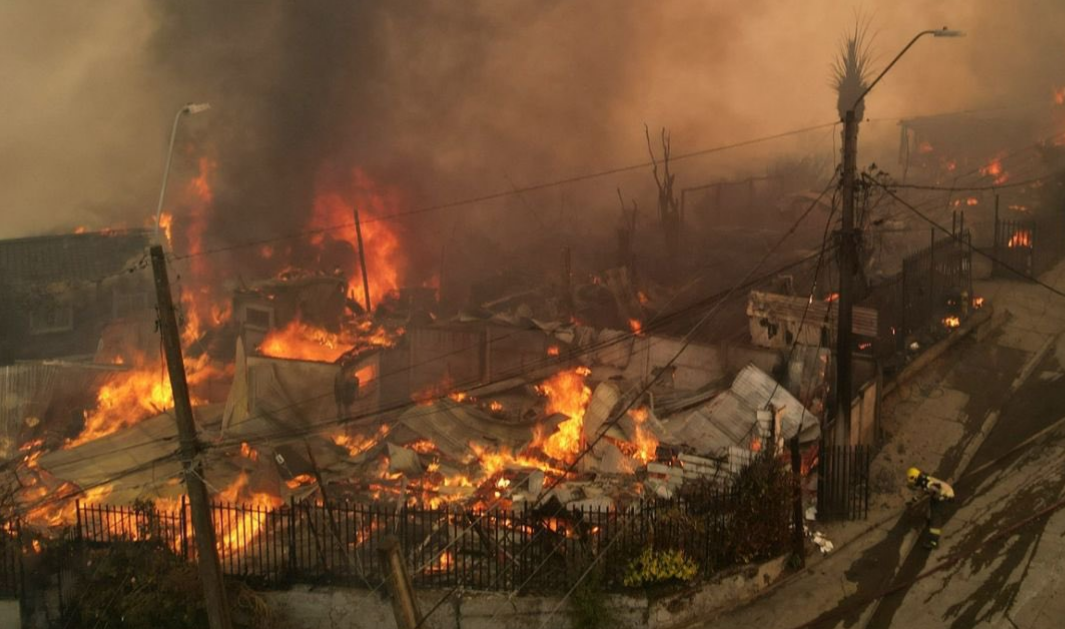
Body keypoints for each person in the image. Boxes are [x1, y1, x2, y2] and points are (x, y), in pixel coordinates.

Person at [907, 467, 955, 549]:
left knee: (936, 518)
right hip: (941, 495)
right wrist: (914, 500)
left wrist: (942, 496)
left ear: (914, 478)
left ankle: (934, 541)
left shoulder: (927, 483)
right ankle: (929, 519)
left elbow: (937, 490)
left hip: (943, 497)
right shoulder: (924, 480)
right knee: (932, 505)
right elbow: (923, 491)